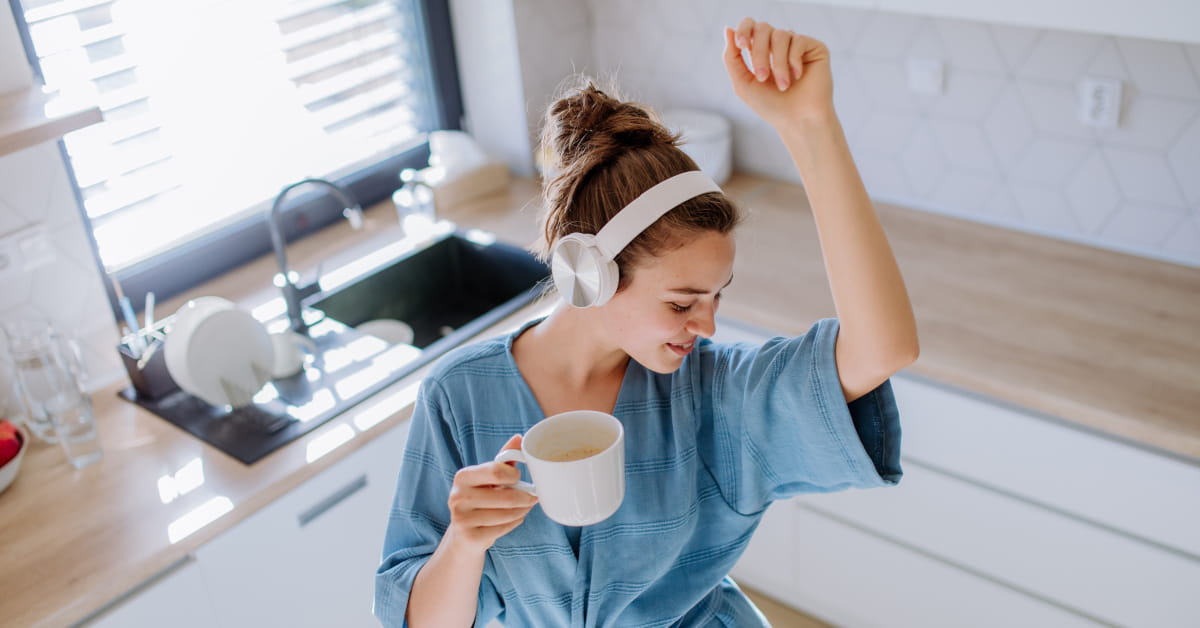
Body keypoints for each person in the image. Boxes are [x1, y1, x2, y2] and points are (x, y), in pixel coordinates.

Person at [375, 17, 919, 627]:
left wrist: (810, 127)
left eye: (717, 298)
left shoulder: (714, 395)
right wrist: (464, 543)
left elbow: (883, 348)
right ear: (591, 272)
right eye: (683, 303)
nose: (707, 326)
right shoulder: (459, 397)